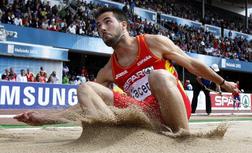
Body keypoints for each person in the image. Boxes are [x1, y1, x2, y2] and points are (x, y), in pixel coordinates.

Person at [14, 7, 239, 132]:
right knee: (85, 89)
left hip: (174, 107)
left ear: (123, 25)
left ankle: (183, 136)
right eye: (98, 26)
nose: (101, 28)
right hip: (145, 114)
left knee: (158, 75)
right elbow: (83, 105)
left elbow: (192, 64)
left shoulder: (153, 42)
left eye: (107, 22)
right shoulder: (108, 70)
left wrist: (223, 83)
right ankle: (103, 135)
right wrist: (44, 117)